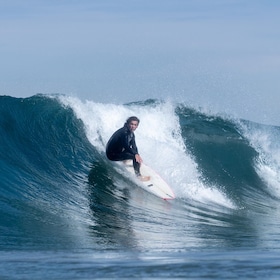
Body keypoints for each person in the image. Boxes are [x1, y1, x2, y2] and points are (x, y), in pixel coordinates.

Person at [106, 116, 150, 181]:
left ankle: (125, 159)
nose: (133, 126)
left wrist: (137, 154)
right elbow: (126, 146)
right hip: (112, 155)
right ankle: (138, 176)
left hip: (117, 151)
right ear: (128, 124)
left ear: (137, 126)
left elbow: (134, 145)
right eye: (131, 124)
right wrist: (135, 155)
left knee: (134, 153)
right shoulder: (124, 132)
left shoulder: (131, 133)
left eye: (135, 125)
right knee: (134, 157)